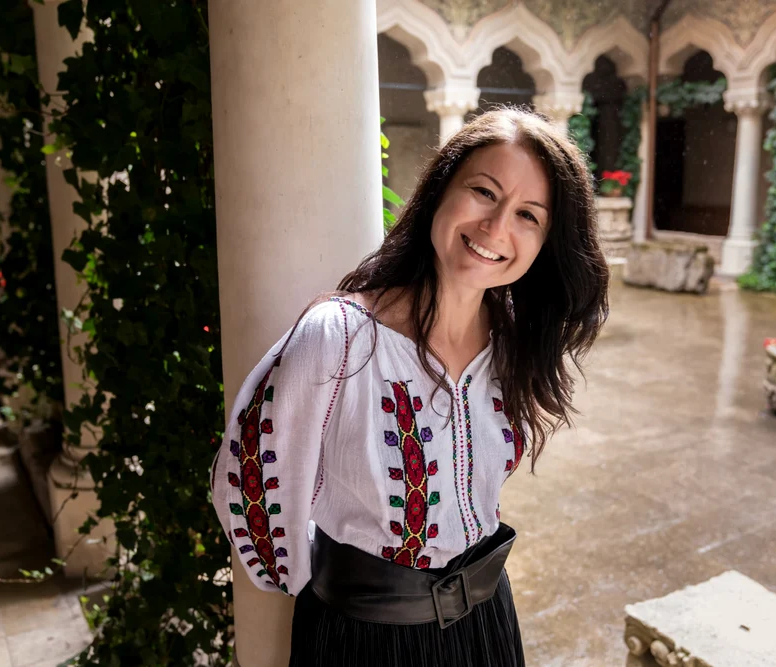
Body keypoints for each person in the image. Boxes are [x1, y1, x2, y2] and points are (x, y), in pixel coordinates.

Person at [211, 107, 608, 667]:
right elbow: (251, 481)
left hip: (489, 624)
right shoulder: (341, 338)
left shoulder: (514, 344)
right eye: (484, 192)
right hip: (367, 638)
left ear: (546, 242)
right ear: (440, 188)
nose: (497, 228)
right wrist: (319, 585)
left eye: (528, 215)